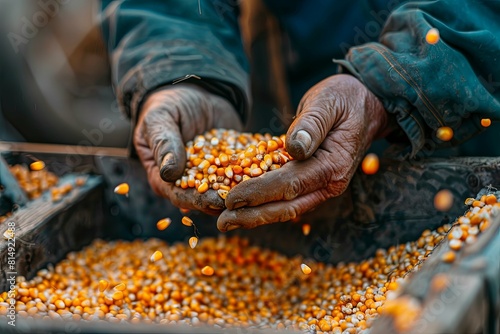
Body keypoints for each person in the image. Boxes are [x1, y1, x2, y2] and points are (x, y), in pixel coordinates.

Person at [101, 0, 500, 232]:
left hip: (472, 113)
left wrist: (392, 82)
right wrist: (185, 73)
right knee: (291, 171)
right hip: (295, 77)